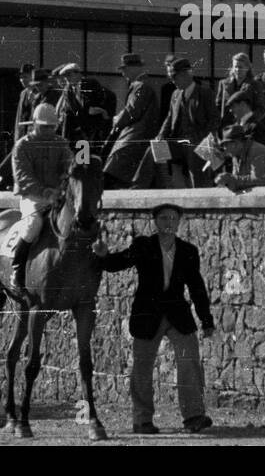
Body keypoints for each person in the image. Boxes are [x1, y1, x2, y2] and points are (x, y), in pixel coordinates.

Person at [93, 203, 215, 434]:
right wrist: (102, 256)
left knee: (189, 361)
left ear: (178, 223)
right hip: (147, 314)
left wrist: (206, 320)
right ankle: (142, 420)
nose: (168, 223)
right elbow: (118, 263)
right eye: (163, 218)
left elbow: (197, 287)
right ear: (155, 222)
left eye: (172, 219)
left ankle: (194, 416)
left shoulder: (188, 250)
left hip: (178, 314)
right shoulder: (143, 245)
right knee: (142, 368)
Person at [8, 103, 74, 305]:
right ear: (34, 124)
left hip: (57, 195)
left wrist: (65, 179)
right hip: (32, 197)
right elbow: (23, 177)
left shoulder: (62, 143)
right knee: (33, 225)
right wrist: (46, 192)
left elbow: (70, 165)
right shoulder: (22, 145)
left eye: (52, 127)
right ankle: (17, 272)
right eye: (44, 127)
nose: (48, 131)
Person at [146, 58, 219, 188]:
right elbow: (169, 118)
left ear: (187, 74)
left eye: (175, 77)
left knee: (194, 160)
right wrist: (160, 136)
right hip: (178, 142)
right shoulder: (175, 94)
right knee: (154, 148)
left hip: (199, 143)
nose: (172, 81)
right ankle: (161, 187)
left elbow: (214, 121)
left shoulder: (204, 93)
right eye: (171, 77)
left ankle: (198, 194)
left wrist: (199, 138)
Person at [104, 54, 161, 189]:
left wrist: (116, 120)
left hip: (135, 137)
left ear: (134, 68)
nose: (122, 73)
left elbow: (132, 110)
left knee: (111, 172)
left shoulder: (141, 85)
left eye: (124, 69)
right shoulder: (142, 84)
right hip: (137, 137)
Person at [217, 52, 264, 127]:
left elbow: (260, 109)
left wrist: (249, 123)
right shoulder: (223, 84)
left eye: (240, 67)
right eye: (235, 67)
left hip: (246, 126)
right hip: (227, 127)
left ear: (247, 68)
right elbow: (218, 106)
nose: (237, 69)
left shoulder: (255, 85)